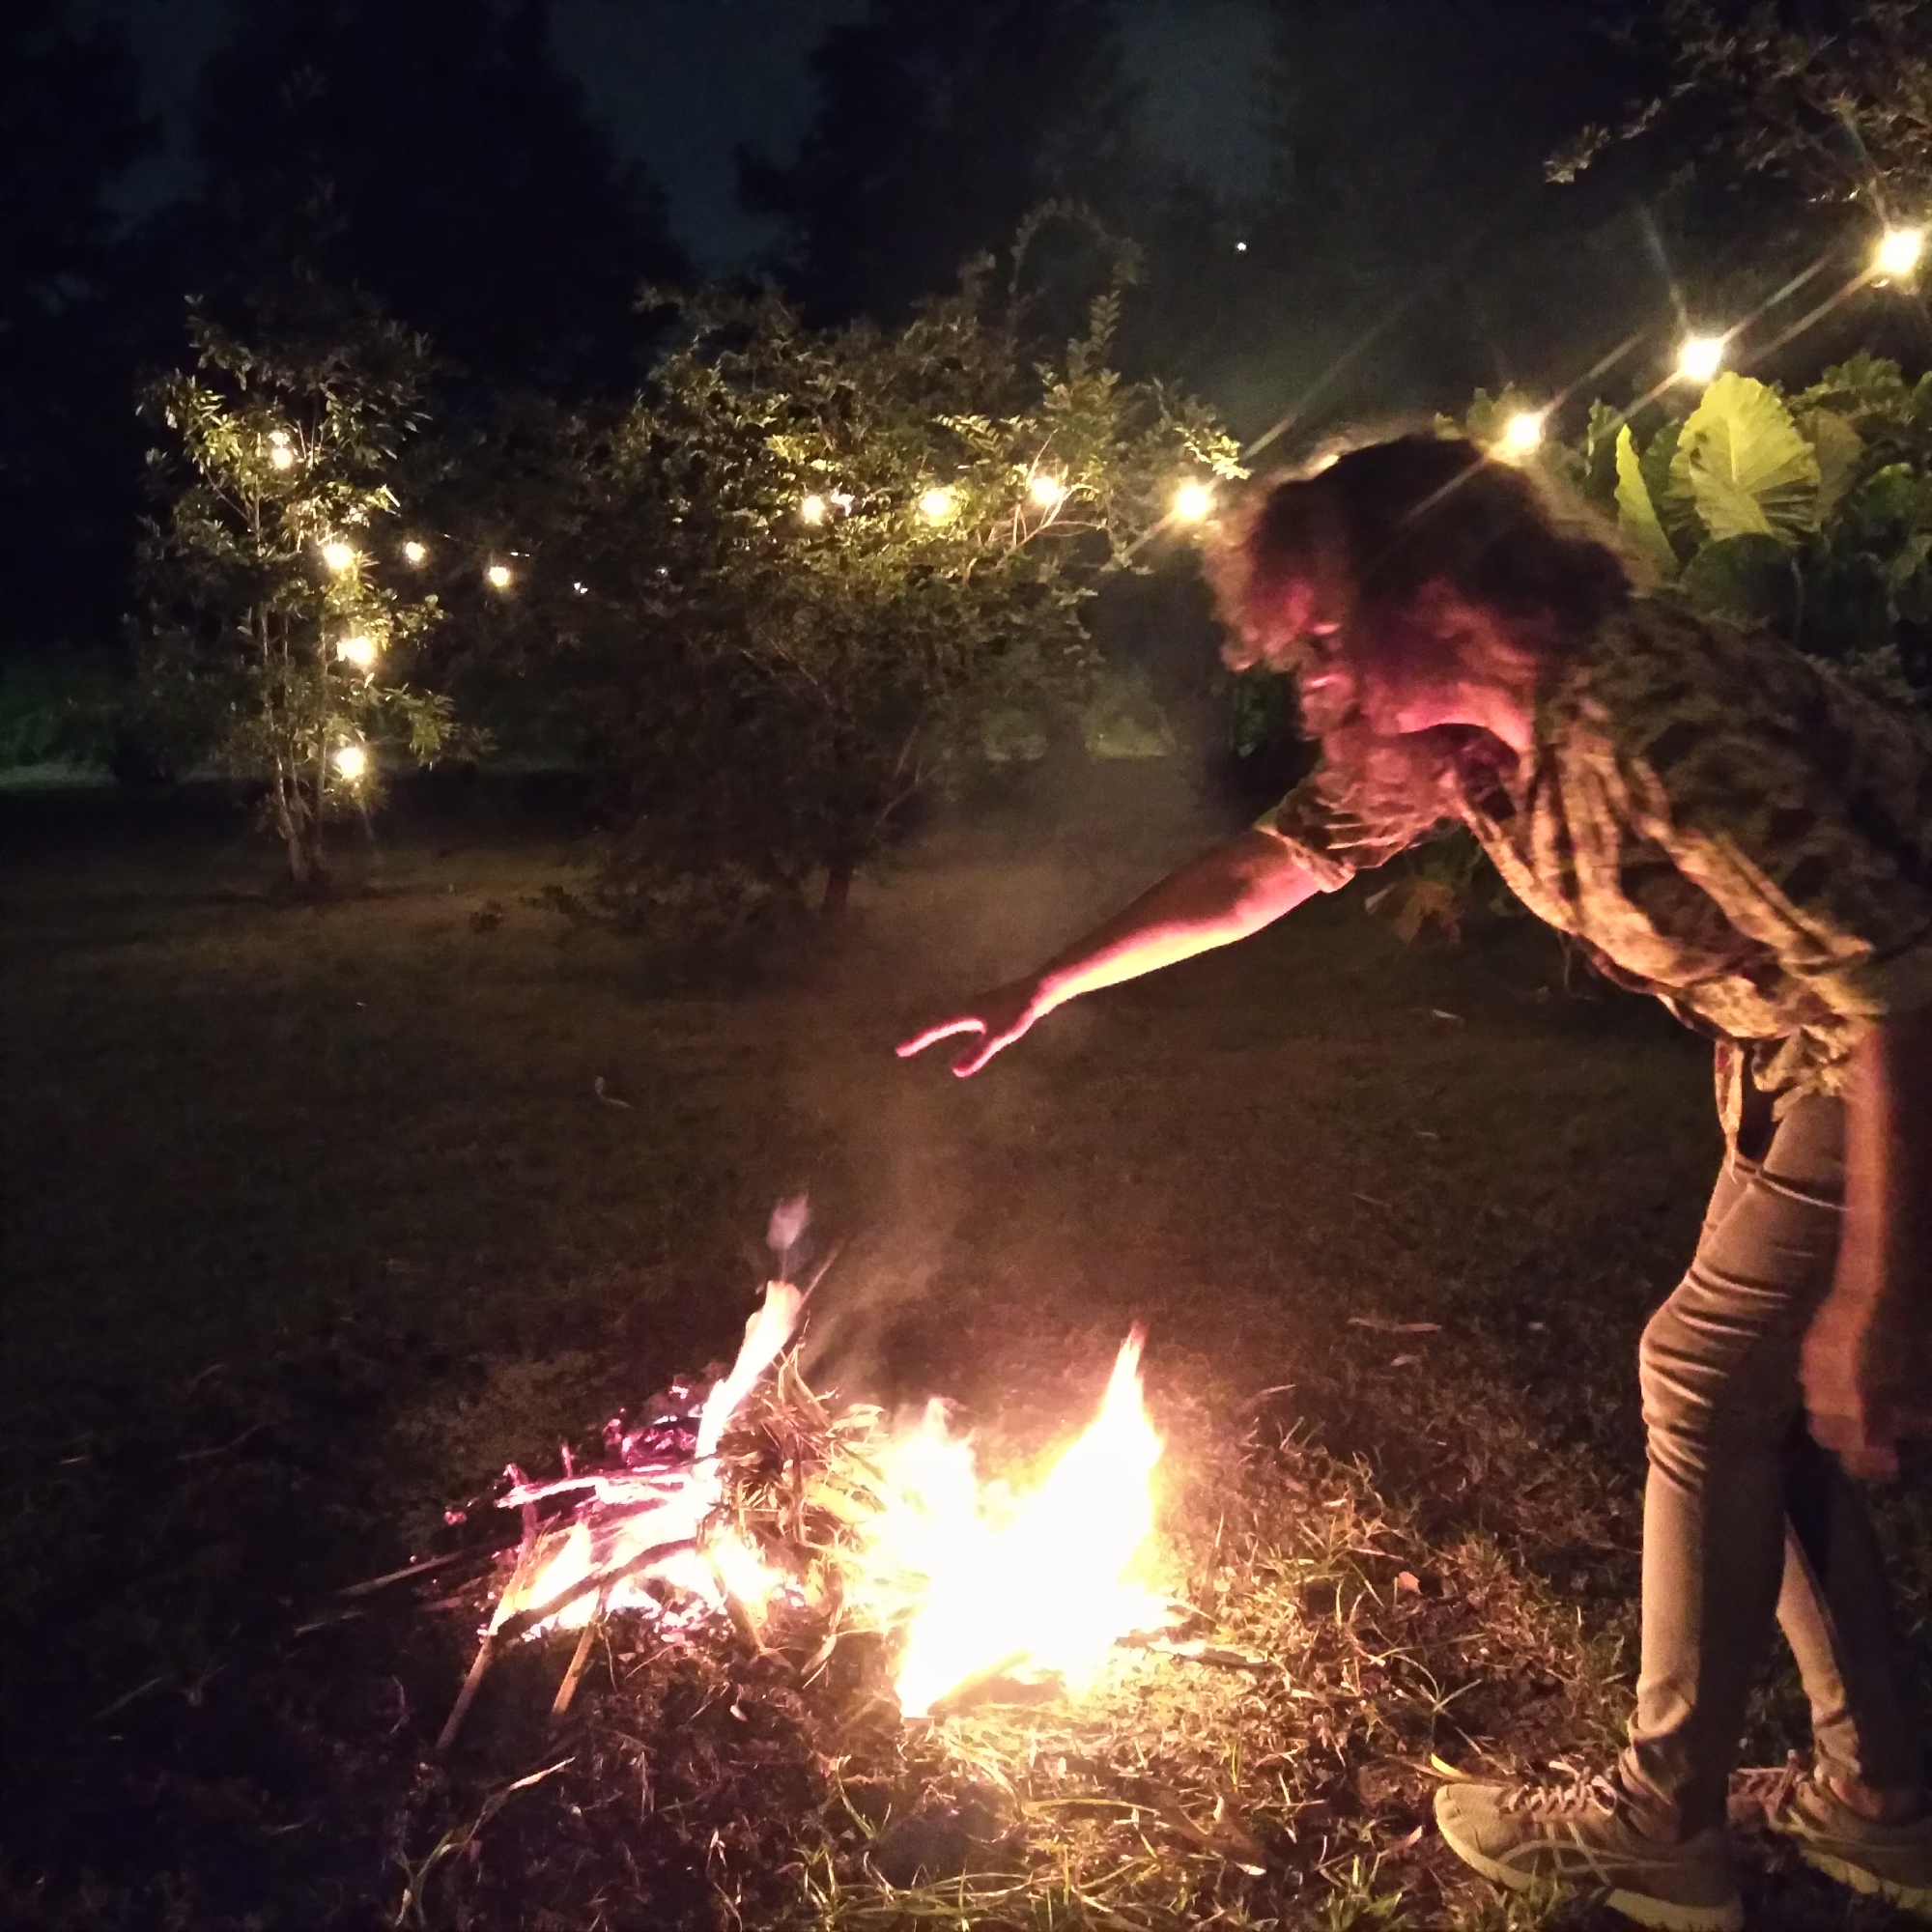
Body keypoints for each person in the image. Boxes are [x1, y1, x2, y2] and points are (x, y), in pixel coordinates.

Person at [896, 434, 1932, 1931]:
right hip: (1803, 1061)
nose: (1309, 671)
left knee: (1702, 1383)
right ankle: (1881, 1799)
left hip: (1885, 1054)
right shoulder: (1471, 743)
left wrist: (1883, 1293)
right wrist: (1044, 987)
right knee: (1752, 1415)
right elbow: (1271, 868)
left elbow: (1898, 983)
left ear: (1434, 596)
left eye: (1325, 632)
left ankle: (1661, 1822)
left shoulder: (1644, 716)